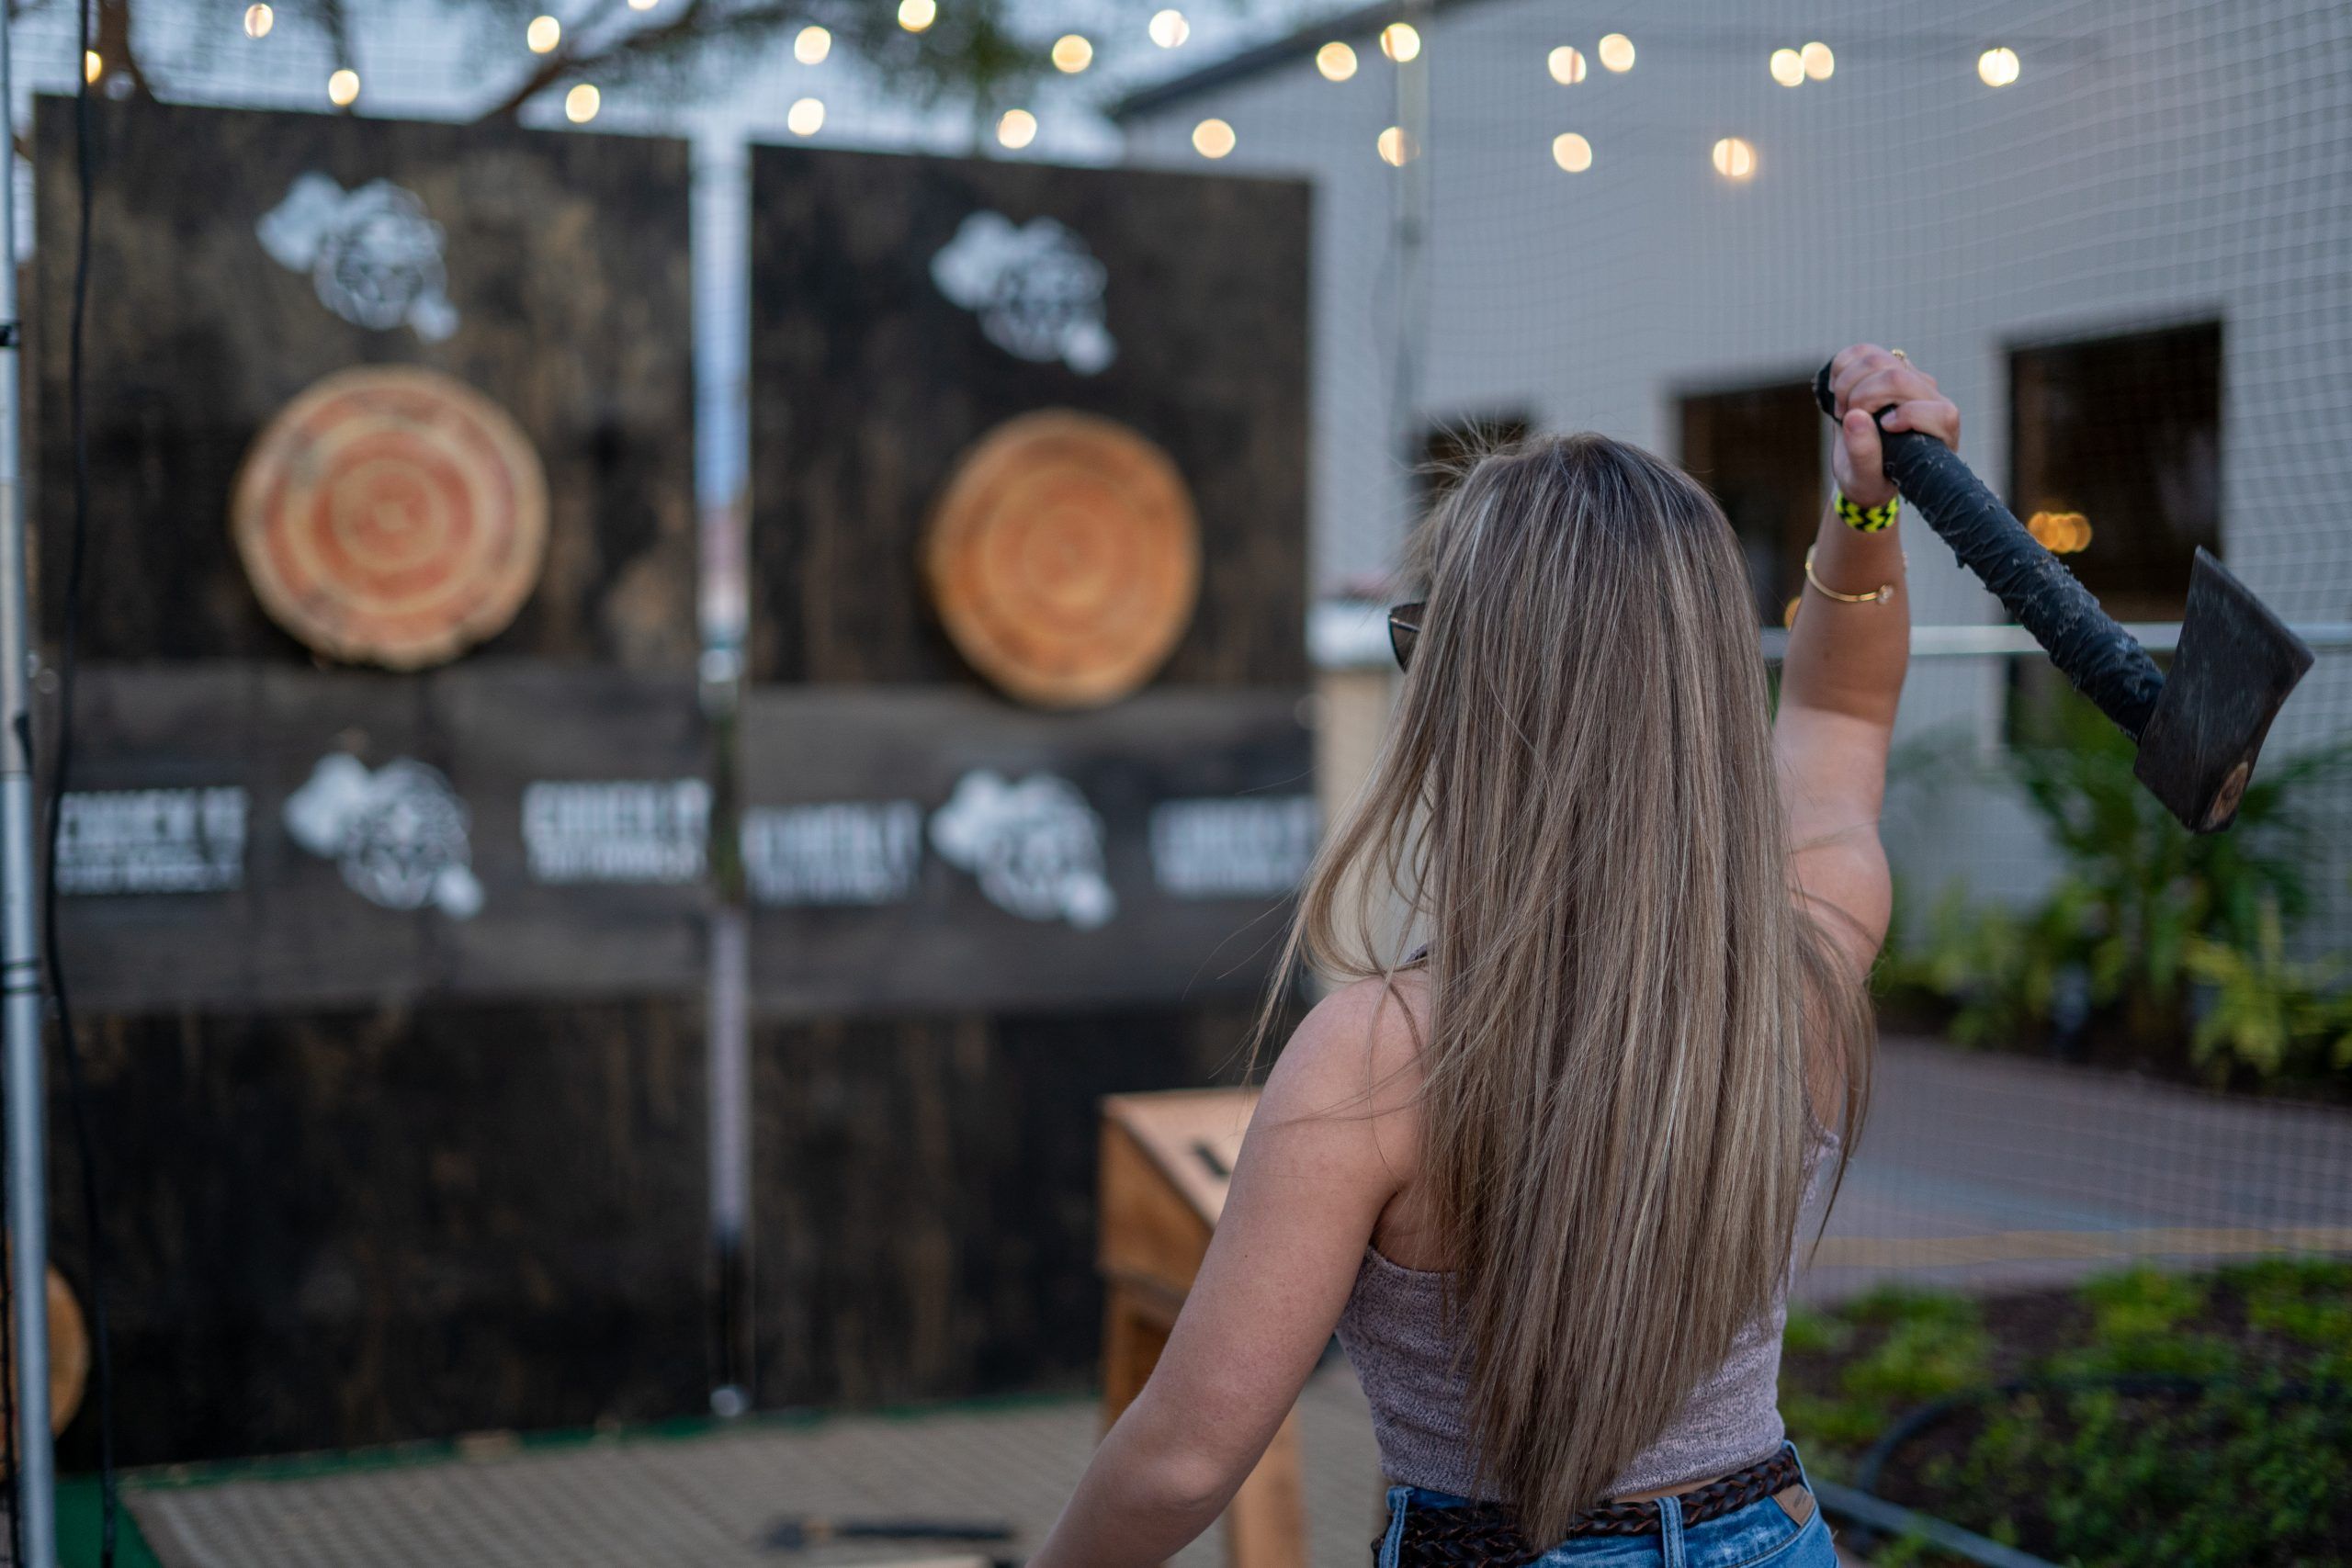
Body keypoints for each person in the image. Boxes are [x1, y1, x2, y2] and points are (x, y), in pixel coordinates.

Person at [1028, 345, 1959, 1568]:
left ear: (1466, 697)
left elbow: (1187, 1459)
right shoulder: (1800, 977)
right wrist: (1866, 511)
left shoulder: (1379, 1055)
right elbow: (1841, 721)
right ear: (1703, 691)